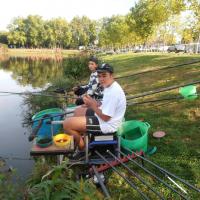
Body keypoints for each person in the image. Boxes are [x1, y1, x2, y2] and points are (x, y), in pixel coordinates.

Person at [63, 63, 126, 151]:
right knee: (78, 111)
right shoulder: (109, 86)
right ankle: (80, 135)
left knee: (66, 124)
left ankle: (82, 148)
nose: (101, 79)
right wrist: (94, 102)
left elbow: (106, 117)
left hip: (107, 124)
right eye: (99, 76)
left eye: (104, 76)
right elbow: (104, 103)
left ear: (111, 75)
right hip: (104, 115)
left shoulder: (114, 92)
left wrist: (92, 105)